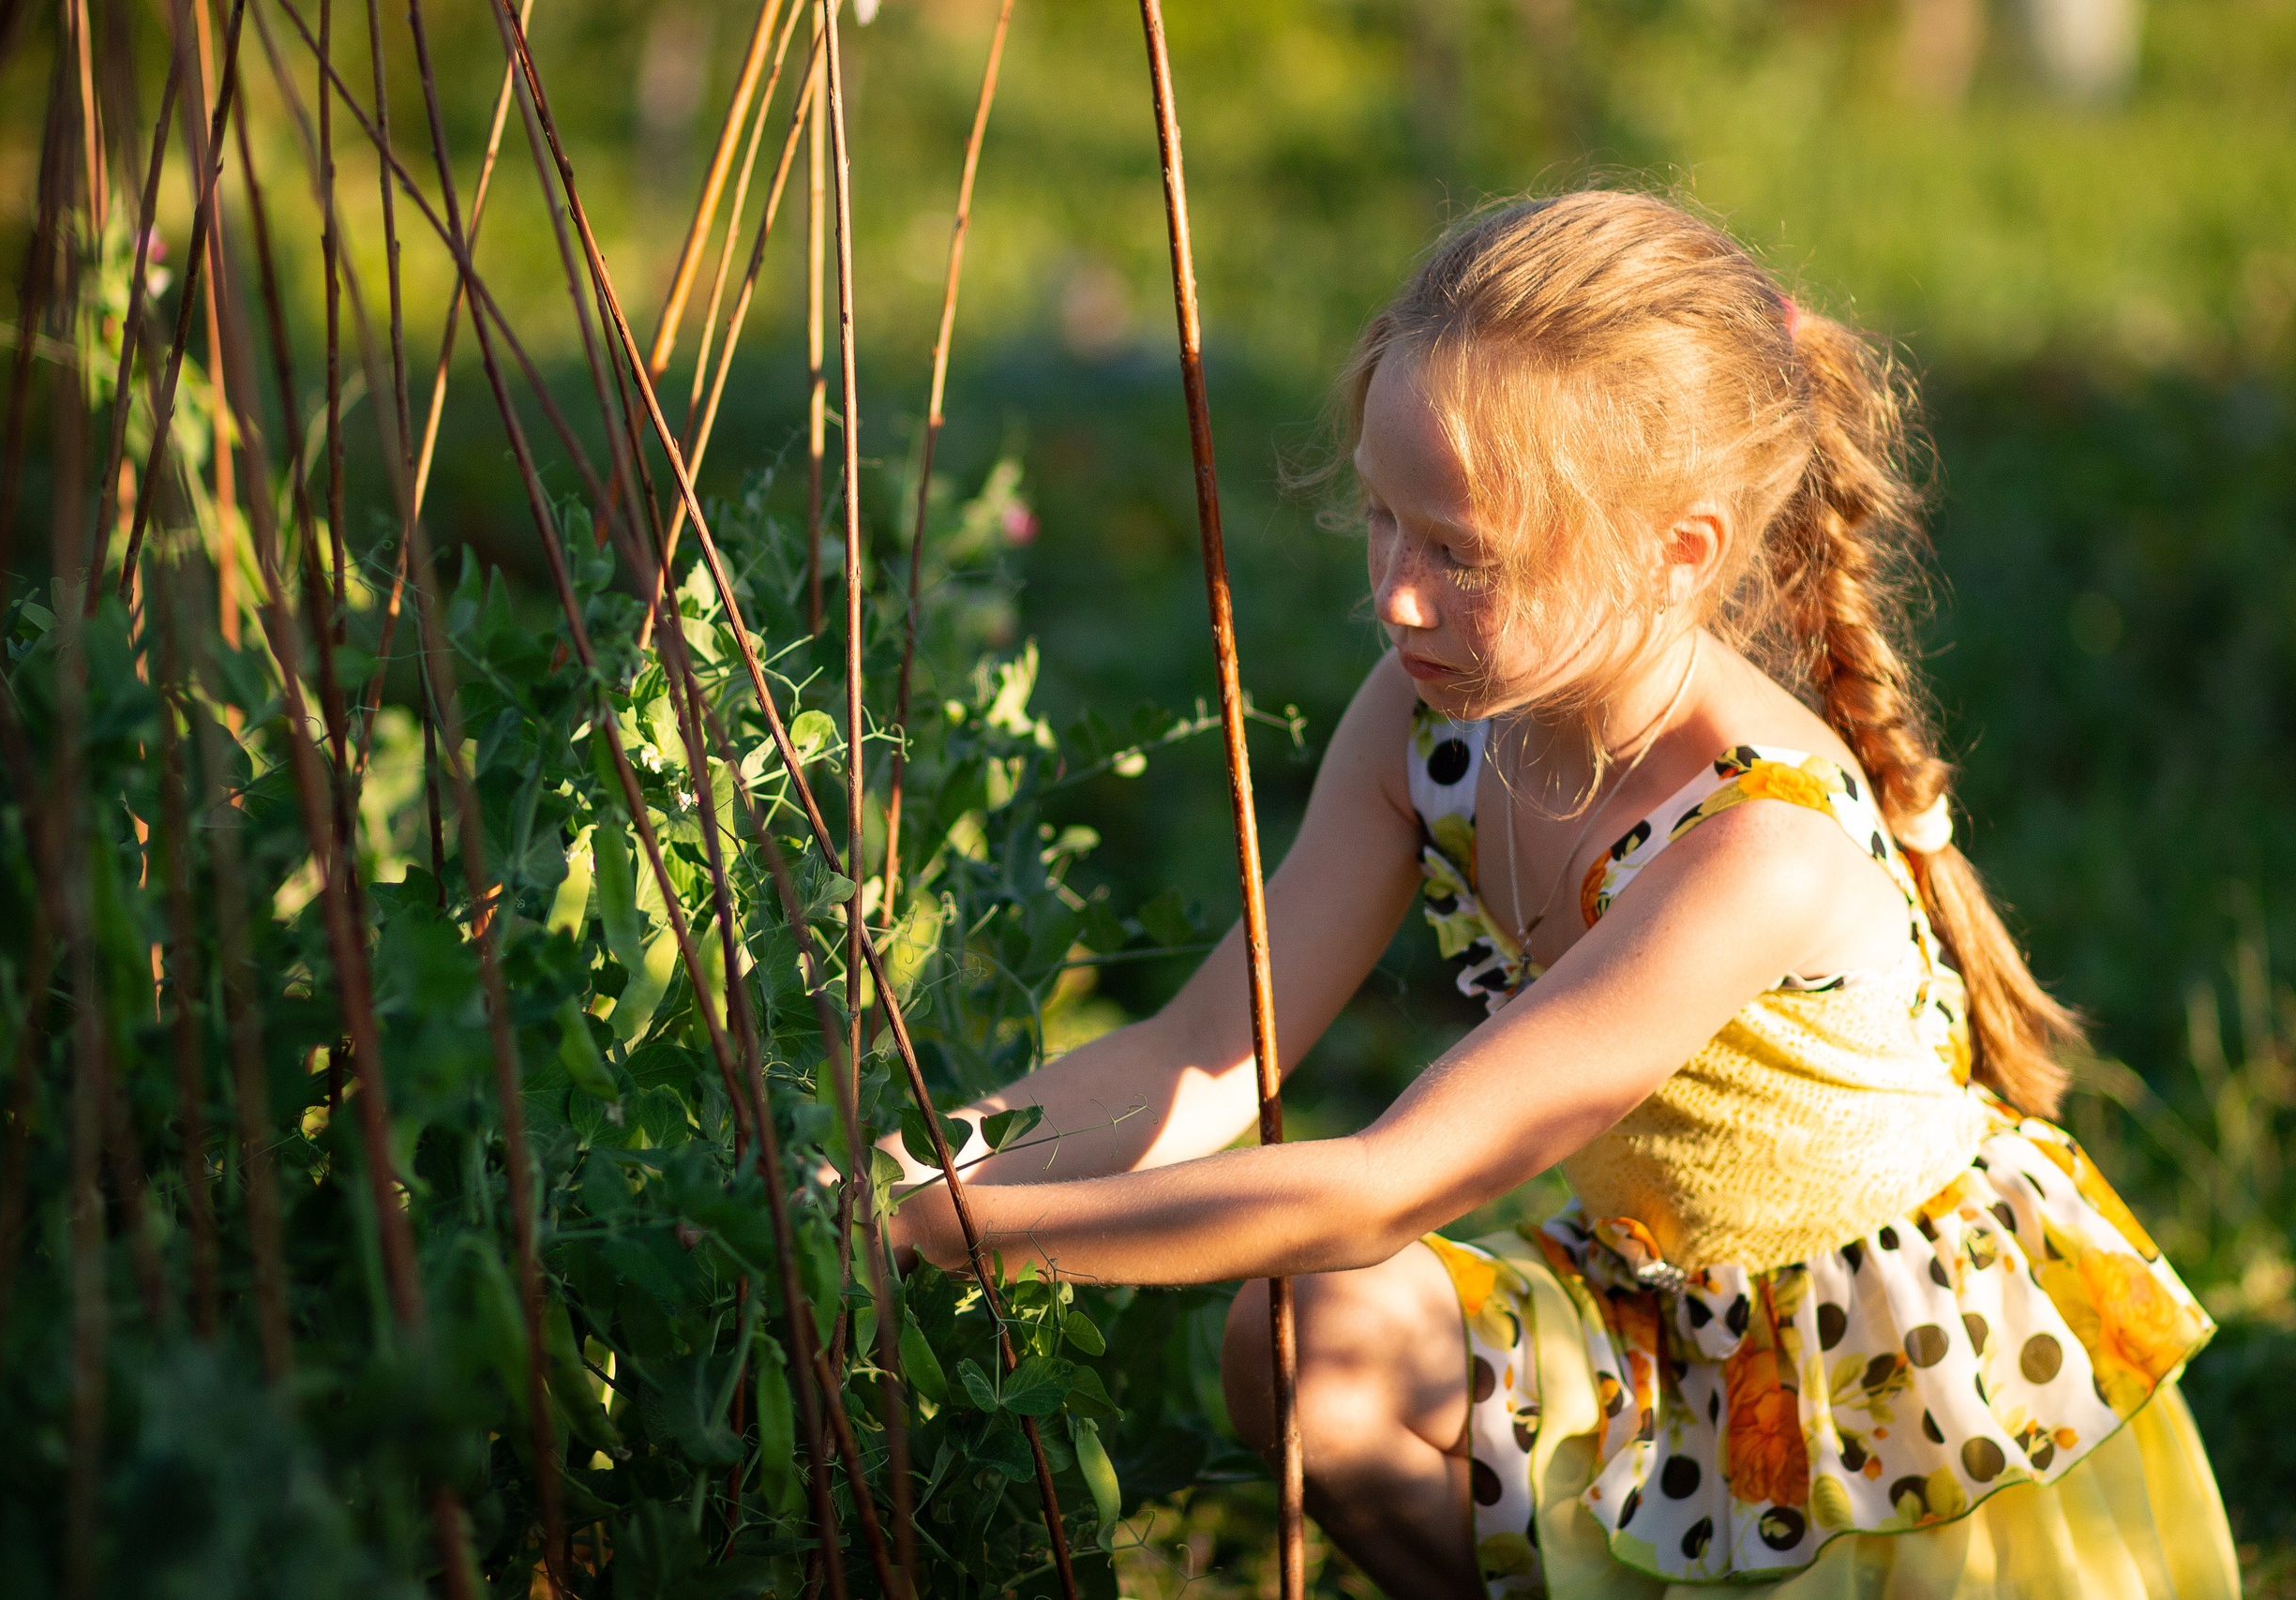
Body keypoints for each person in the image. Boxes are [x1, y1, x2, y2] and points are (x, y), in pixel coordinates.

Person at [881, 190, 2233, 1598]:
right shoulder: (1434, 724)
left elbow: (1387, 1186)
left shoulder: (1751, 841)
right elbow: (1198, 1057)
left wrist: (961, 1238)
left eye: (1461, 551)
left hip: (1882, 1392)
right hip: (1651, 1306)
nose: (1398, 597)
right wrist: (902, 1174)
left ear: (1682, 552)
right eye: (1382, 520)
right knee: (1300, 1338)